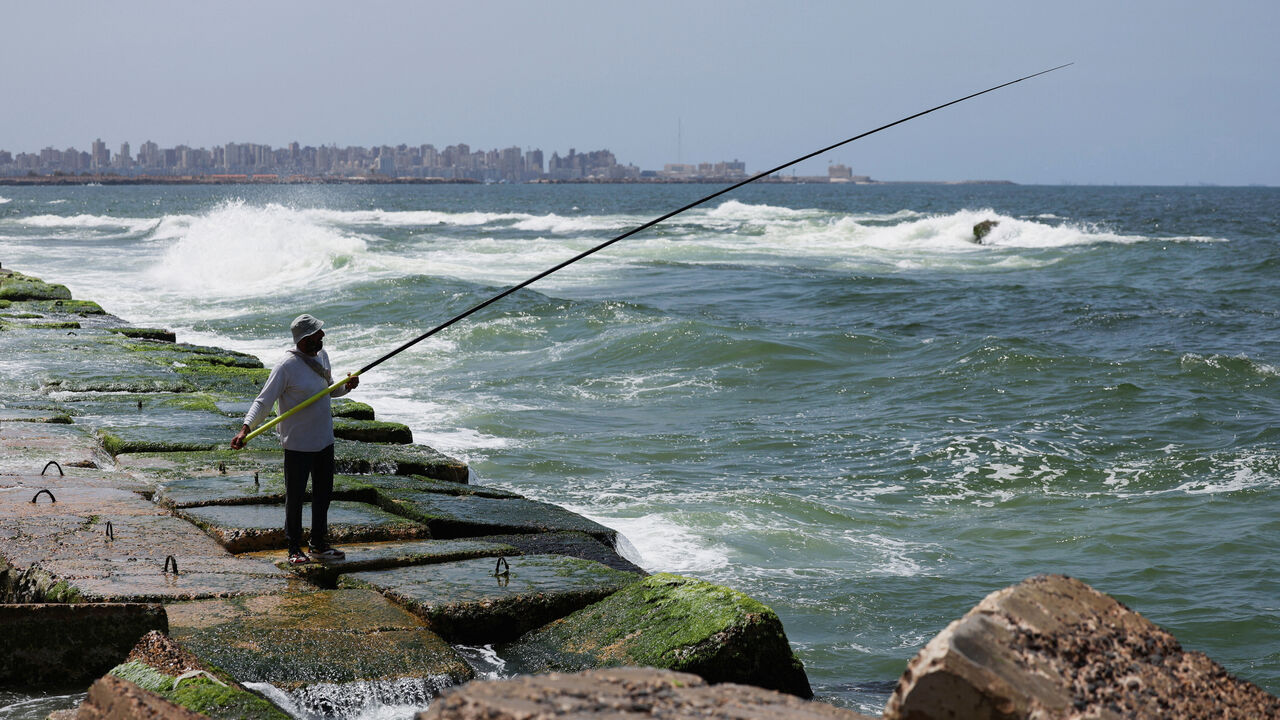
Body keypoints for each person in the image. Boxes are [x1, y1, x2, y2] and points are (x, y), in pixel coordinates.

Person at [231, 314, 359, 565]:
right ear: (304, 339)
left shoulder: (322, 357)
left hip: (324, 439)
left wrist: (348, 387)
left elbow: (330, 389)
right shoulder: (286, 366)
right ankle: (293, 549)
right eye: (317, 334)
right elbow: (263, 401)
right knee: (296, 497)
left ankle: (319, 545)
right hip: (298, 444)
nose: (322, 336)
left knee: (323, 495)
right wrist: (245, 429)